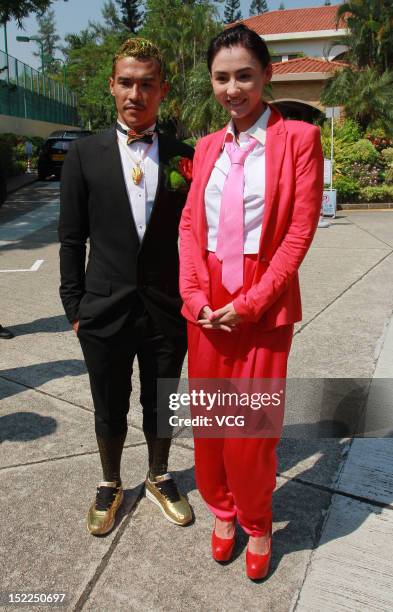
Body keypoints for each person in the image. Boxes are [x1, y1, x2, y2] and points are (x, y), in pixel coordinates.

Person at [179, 25, 323, 580]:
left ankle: (257, 521)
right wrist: (193, 293)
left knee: (253, 430)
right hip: (208, 298)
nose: (233, 88)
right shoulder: (209, 146)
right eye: (222, 77)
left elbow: (299, 232)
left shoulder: (299, 140)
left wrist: (254, 301)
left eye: (244, 75)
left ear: (265, 75)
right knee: (212, 421)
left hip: (263, 299)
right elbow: (192, 223)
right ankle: (222, 509)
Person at [59, 38, 194, 536]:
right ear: (112, 86)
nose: (135, 93)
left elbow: (198, 236)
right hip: (103, 308)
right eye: (126, 82)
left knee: (162, 399)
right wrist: (75, 307)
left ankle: (159, 475)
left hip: (165, 306)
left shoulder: (185, 156)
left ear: (162, 89)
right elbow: (71, 240)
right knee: (108, 404)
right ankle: (111, 481)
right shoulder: (84, 154)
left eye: (147, 83)